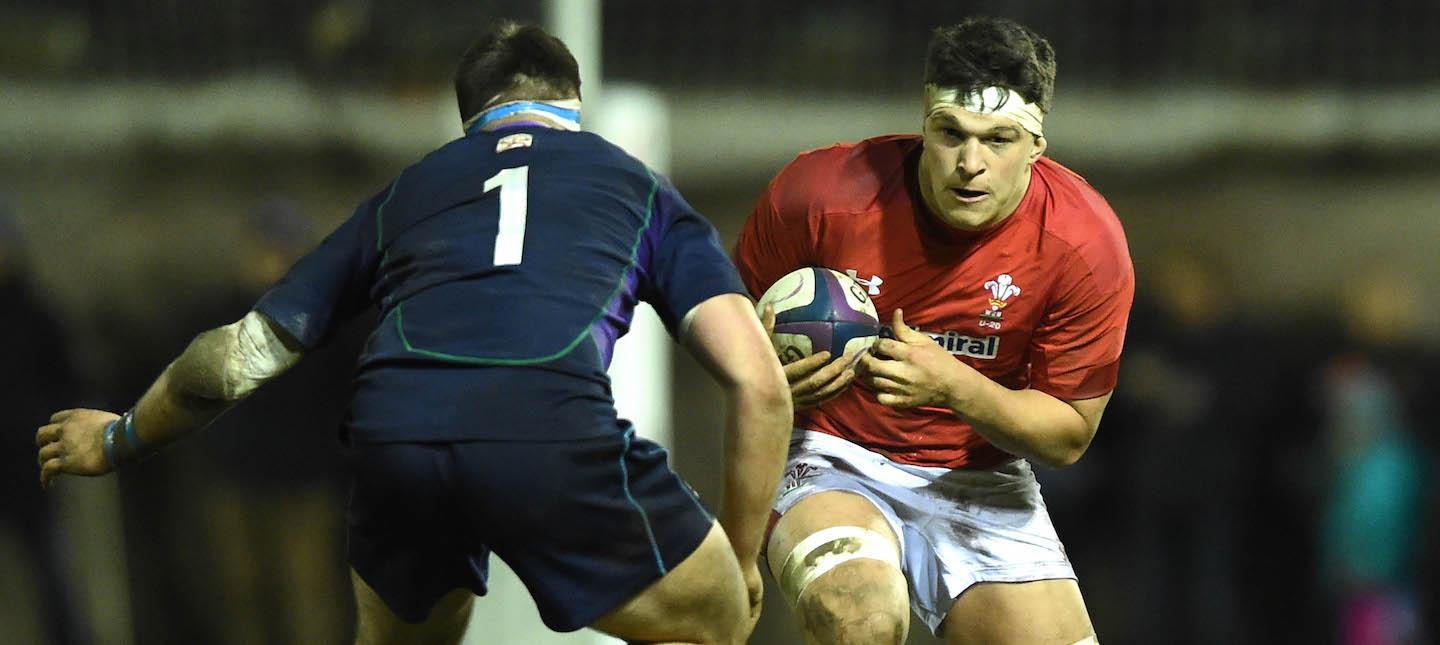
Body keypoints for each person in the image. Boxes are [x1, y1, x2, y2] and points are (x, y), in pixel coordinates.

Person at [35, 20, 791, 645]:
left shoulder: (404, 196)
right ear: (572, 103)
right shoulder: (634, 185)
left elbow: (235, 358)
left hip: (398, 438)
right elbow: (758, 383)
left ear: (471, 118)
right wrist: (744, 559)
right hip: (547, 428)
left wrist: (119, 437)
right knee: (713, 616)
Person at [734, 16, 1134, 645]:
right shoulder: (819, 198)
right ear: (925, 122)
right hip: (835, 454)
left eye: (998, 139)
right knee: (861, 618)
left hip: (980, 472)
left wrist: (954, 385)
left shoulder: (1083, 245)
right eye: (951, 134)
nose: (969, 164)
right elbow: (729, 340)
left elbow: (1067, 436)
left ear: (1036, 145)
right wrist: (762, 373)